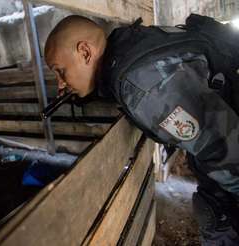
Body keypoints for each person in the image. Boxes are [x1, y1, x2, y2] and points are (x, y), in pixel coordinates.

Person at [44, 14, 239, 245]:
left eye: (60, 71)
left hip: (230, 152)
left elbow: (226, 151)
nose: (60, 84)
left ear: (85, 52)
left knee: (217, 219)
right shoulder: (127, 47)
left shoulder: (142, 86)